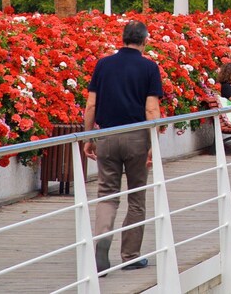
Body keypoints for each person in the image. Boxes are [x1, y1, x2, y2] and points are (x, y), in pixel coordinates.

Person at [83, 20, 162, 273]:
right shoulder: (149, 68)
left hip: (107, 136)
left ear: (123, 38)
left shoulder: (103, 65)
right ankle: (130, 255)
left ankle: (101, 243)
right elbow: (151, 109)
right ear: (145, 41)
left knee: (107, 194)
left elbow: (91, 105)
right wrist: (154, 143)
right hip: (137, 137)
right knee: (137, 196)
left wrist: (88, 137)